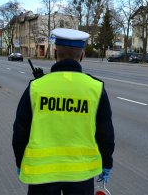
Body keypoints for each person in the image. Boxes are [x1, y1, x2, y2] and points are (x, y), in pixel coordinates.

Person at [12, 28, 115, 195]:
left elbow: (20, 131)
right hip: (81, 174)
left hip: (41, 174)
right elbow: (106, 133)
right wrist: (107, 163)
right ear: (82, 55)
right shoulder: (96, 88)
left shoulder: (36, 87)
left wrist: (19, 161)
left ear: (54, 53)